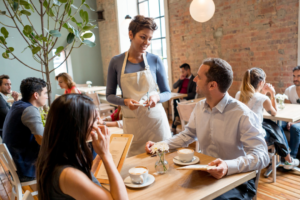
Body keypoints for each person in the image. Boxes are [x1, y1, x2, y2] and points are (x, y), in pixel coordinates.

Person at [145, 58, 269, 200]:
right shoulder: (199, 107)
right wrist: (160, 146)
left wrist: (228, 166)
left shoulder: (242, 113)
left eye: (199, 76)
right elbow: (188, 134)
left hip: (236, 181)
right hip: (205, 174)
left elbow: (262, 155)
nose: (195, 79)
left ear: (212, 85)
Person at [36, 94, 128, 200]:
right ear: (76, 126)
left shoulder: (57, 154)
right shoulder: (67, 174)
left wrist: (99, 157)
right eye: (94, 120)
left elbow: (84, 177)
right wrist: (106, 155)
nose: (97, 124)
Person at [106, 15, 171, 157]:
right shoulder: (116, 62)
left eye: (150, 38)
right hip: (132, 126)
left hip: (156, 125)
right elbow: (109, 95)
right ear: (131, 34)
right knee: (136, 169)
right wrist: (124, 101)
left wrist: (157, 97)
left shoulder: (155, 60)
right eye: (143, 37)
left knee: (162, 165)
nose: (147, 42)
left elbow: (167, 92)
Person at [236, 68, 299, 169]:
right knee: (275, 128)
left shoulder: (239, 94)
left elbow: (256, 105)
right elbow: (274, 112)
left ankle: (286, 159)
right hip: (255, 135)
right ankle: (288, 160)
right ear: (261, 82)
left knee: (271, 125)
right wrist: (272, 93)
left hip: (240, 132)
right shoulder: (263, 98)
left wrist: (263, 93)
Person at [2, 77, 47, 182]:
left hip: (16, 164)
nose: (46, 97)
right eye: (45, 93)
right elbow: (42, 140)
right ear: (36, 95)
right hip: (25, 169)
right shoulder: (29, 110)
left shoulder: (17, 104)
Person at [172, 63, 196, 134]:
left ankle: (174, 125)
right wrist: (180, 79)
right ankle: (177, 118)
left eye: (183, 71)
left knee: (176, 102)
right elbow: (174, 86)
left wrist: (184, 96)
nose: (182, 73)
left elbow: (193, 94)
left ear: (188, 70)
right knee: (175, 99)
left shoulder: (193, 80)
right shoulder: (182, 78)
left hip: (186, 99)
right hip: (179, 98)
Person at [282, 66, 300, 158]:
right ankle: (283, 152)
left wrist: (294, 122)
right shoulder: (289, 90)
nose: (295, 79)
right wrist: (289, 121)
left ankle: (291, 158)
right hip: (290, 119)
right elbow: (287, 110)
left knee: (295, 128)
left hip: (297, 121)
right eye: (294, 76)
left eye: (298, 76)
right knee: (278, 124)